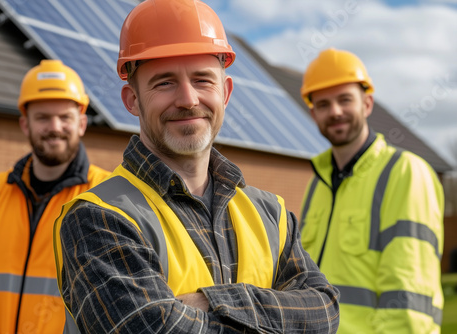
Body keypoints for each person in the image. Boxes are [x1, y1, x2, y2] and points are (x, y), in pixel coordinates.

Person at [53, 0, 340, 333]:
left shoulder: (271, 215)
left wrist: (214, 301)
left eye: (203, 80)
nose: (188, 99)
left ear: (226, 92)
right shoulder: (97, 218)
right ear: (132, 99)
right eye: (164, 82)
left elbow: (325, 313)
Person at [0, 59, 110, 334]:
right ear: (25, 125)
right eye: (42, 117)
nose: (54, 127)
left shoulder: (107, 194)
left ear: (82, 124)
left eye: (65, 117)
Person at [299, 48, 444, 333]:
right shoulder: (317, 185)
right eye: (324, 104)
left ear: (367, 104)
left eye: (345, 100)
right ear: (313, 114)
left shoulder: (405, 172)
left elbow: (409, 298)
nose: (336, 112)